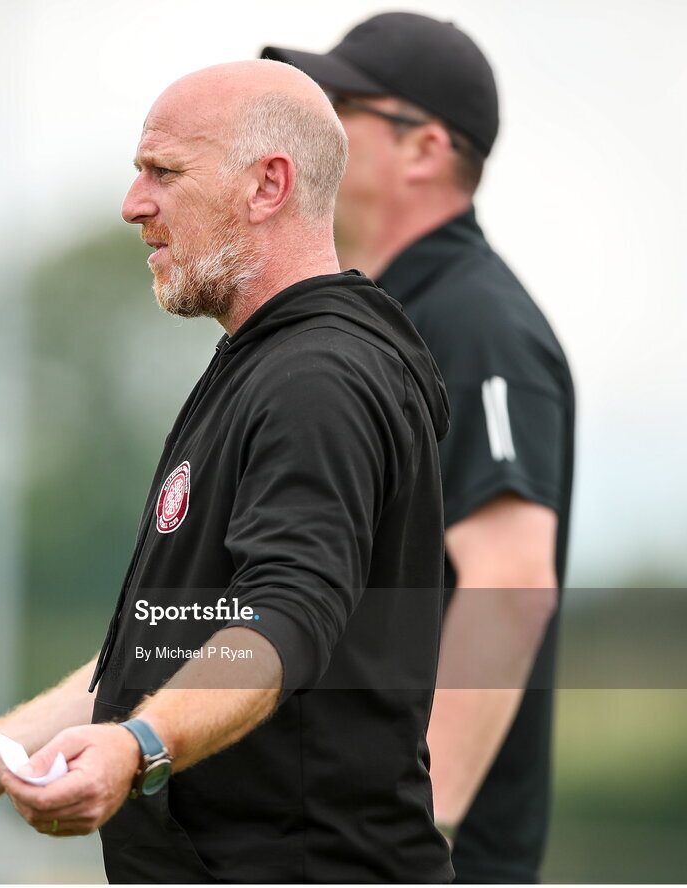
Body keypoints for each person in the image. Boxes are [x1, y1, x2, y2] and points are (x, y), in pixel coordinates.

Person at [0, 59, 454, 882]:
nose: (134, 204)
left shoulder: (317, 378)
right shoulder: (264, 363)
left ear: (268, 185)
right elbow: (175, 637)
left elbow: (284, 619)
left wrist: (138, 746)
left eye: (163, 172)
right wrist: (3, 751)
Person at [263, 12, 576, 883]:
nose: (305, 128)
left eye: (338, 107)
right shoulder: (371, 325)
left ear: (424, 149)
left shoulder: (475, 324)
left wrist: (400, 840)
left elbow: (511, 587)